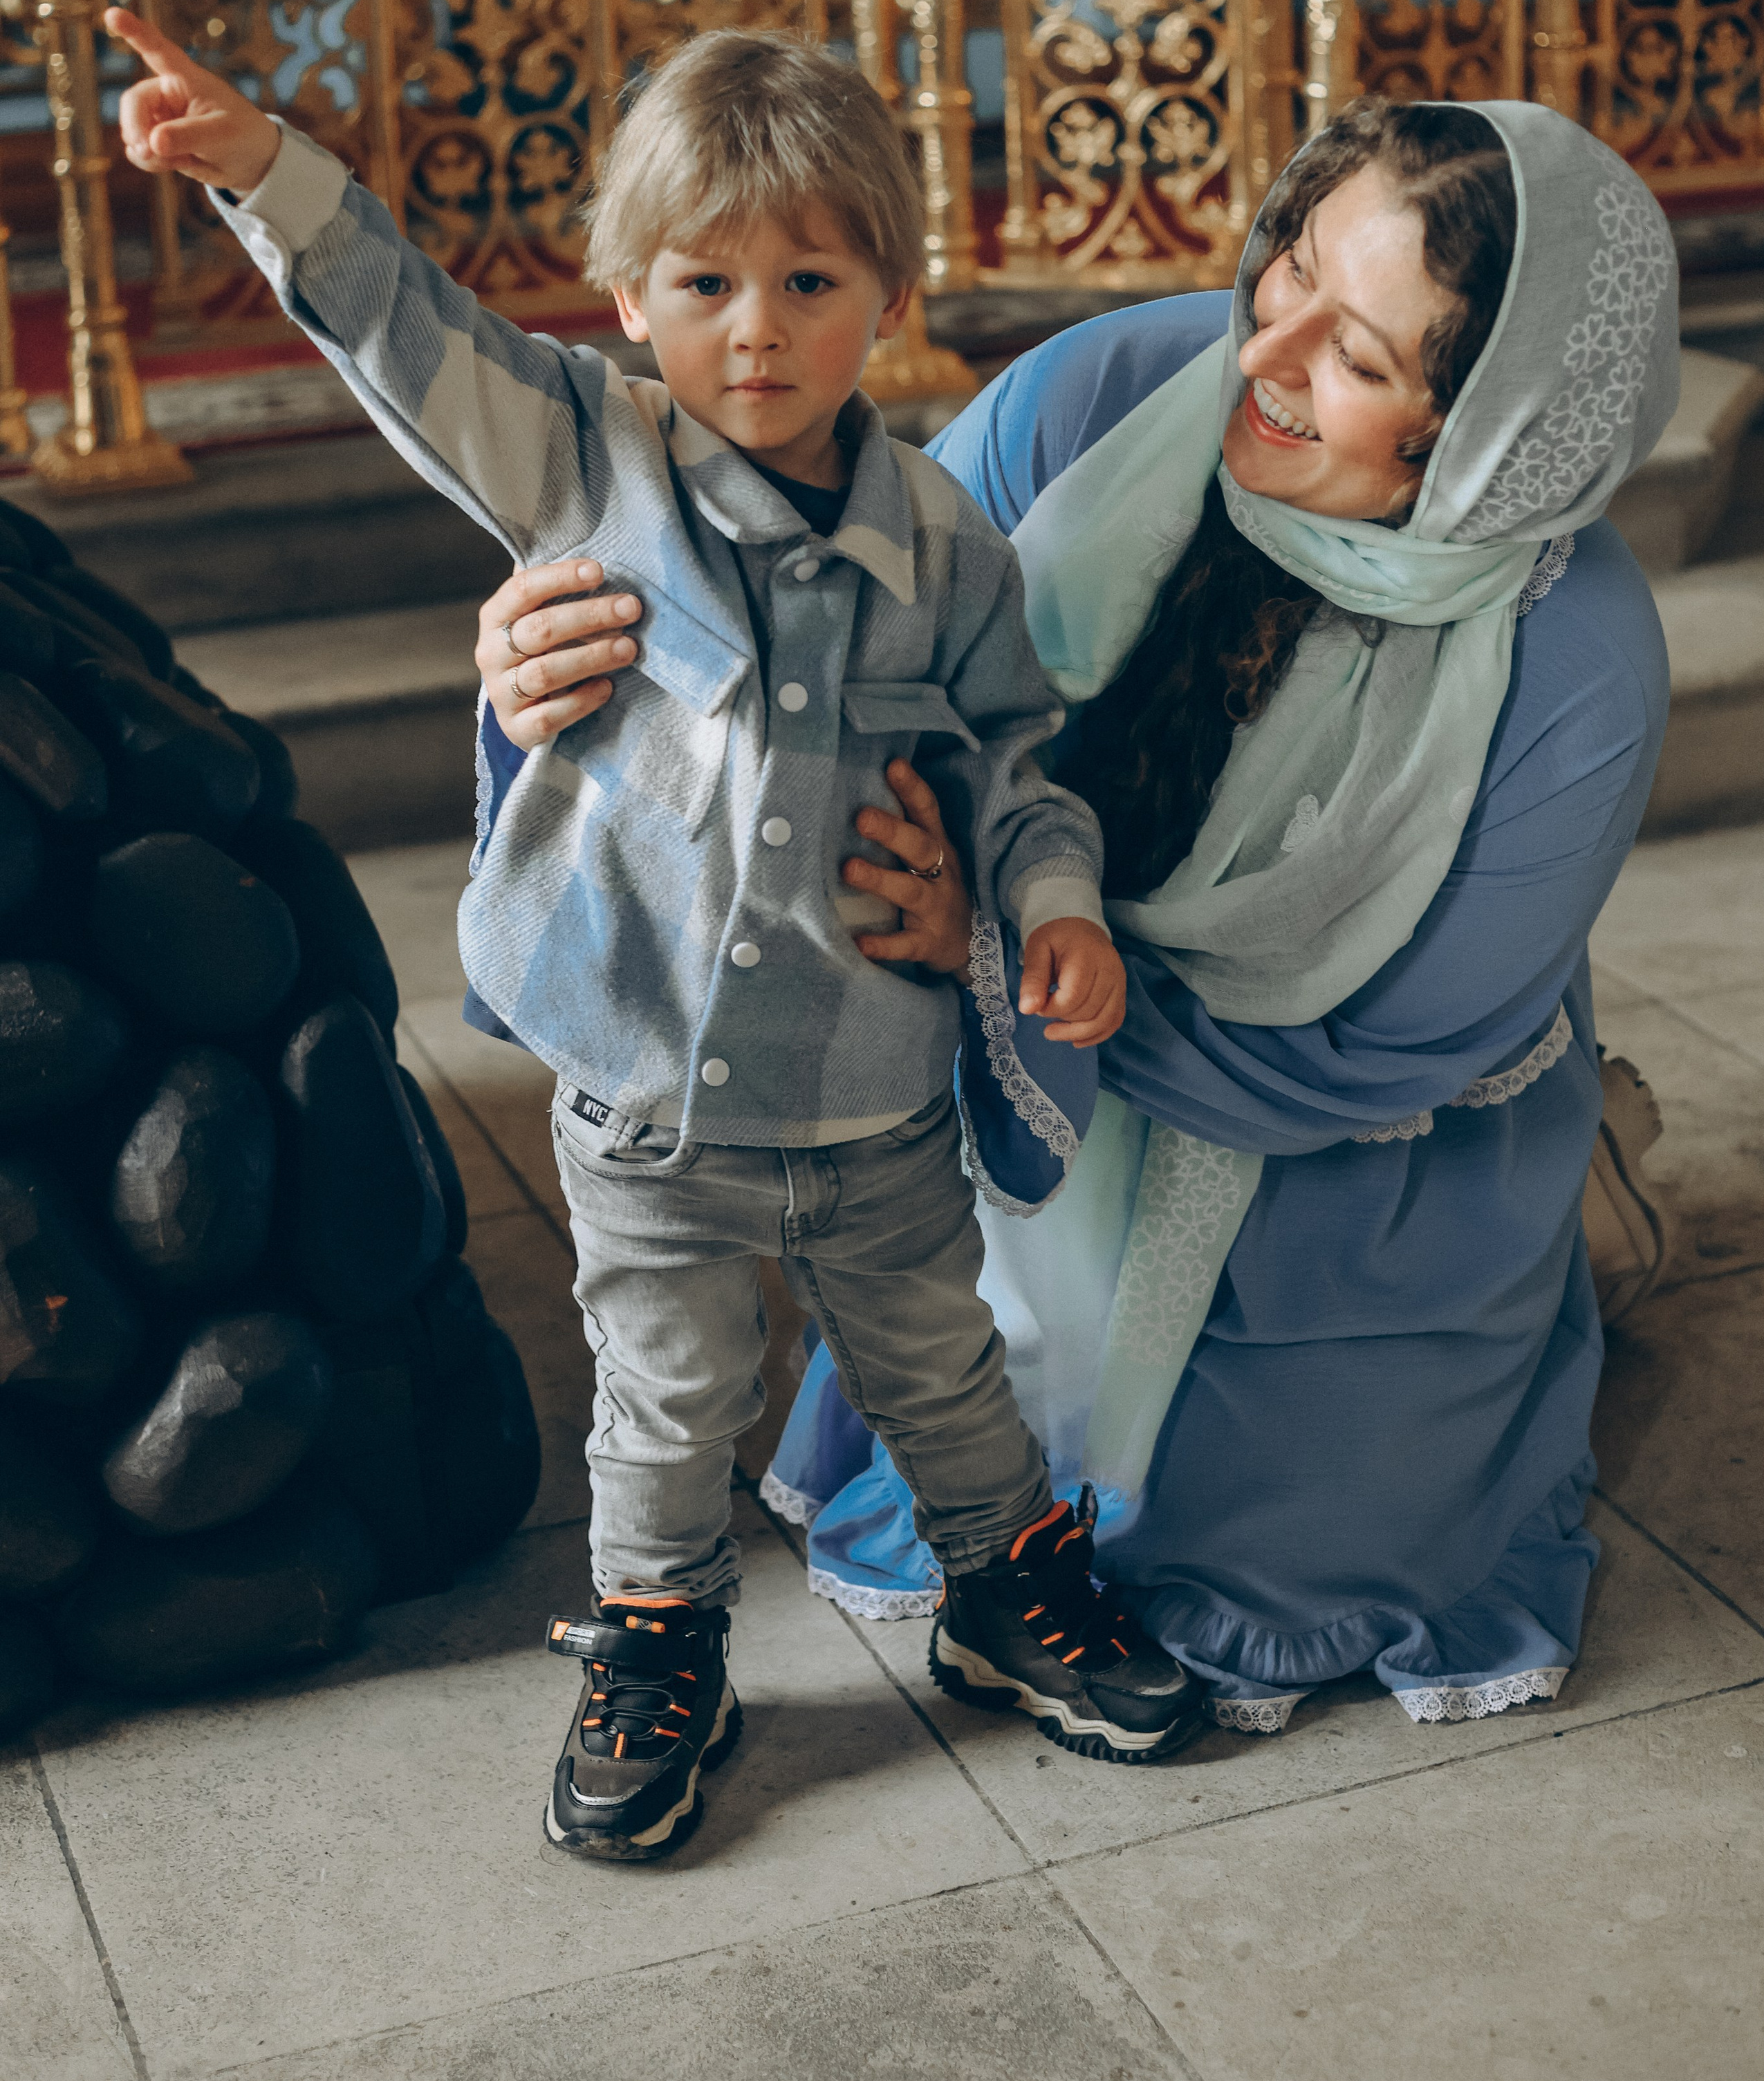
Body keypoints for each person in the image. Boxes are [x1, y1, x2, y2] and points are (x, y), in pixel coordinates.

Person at [106, 8, 1207, 1865]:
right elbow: (404, 320)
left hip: (874, 1099)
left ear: (887, 296)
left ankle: (1007, 1592)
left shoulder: (943, 544)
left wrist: (1054, 905)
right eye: (706, 281)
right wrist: (261, 170)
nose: (756, 328)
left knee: (940, 1360)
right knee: (667, 1388)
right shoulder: (575, 458)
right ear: (628, 295)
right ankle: (658, 1644)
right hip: (645, 1094)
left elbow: (1023, 763)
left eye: (808, 279)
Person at [479, 95, 1678, 1737]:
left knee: (1307, 1539)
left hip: (1347, 1147)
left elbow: (1395, 1046)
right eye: (1294, 273)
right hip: (1019, 1066)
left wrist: (992, 951)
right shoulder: (1095, 400)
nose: (1268, 353)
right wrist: (553, 665)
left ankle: (1575, 1196)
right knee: (953, 1402)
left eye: (1363, 362)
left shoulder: (1572, 664)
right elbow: (772, 643)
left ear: (1476, 438)